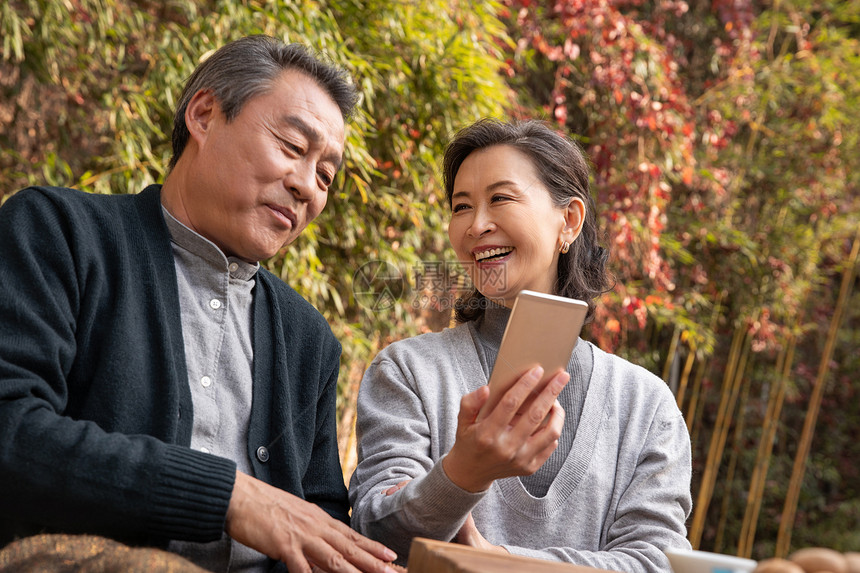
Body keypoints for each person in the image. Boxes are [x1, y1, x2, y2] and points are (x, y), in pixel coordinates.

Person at [0, 35, 399, 573]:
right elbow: (12, 431)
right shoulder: (58, 233)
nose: (308, 186)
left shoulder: (309, 339)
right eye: (291, 146)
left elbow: (321, 514)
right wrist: (230, 495)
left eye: (326, 176)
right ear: (205, 115)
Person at [348, 119, 693, 572]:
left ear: (568, 220)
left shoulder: (645, 405)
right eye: (461, 206)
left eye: (501, 198)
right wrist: (460, 475)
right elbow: (373, 536)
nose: (476, 225)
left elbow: (658, 563)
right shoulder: (408, 371)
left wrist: (499, 562)